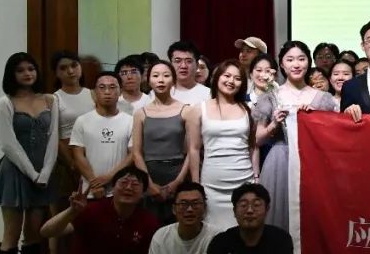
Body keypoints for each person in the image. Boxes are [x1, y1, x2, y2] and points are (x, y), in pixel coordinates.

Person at [0, 52, 59, 254]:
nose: (27, 73)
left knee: (34, 232)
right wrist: (32, 173)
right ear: (12, 74)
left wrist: (45, 172)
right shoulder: (5, 102)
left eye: (31, 69)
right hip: (14, 171)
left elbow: (53, 138)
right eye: (20, 70)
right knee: (12, 232)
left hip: (43, 173)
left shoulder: (50, 100)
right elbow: (7, 143)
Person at [254, 40, 339, 231]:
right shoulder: (271, 96)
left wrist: (315, 119)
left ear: (308, 62)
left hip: (312, 162)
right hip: (280, 161)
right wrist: (274, 123)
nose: (296, 64)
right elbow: (258, 139)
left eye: (301, 59)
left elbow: (331, 139)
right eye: (290, 59)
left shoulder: (322, 98)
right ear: (282, 64)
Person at [42, 166, 159, 254]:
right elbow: (46, 232)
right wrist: (71, 211)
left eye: (135, 184)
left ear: (143, 194)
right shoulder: (93, 210)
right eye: (124, 183)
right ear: (113, 188)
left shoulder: (148, 222)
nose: (128, 187)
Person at [187, 60, 259, 232]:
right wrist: (196, 184)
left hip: (244, 180)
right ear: (217, 77)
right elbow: (194, 149)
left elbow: (253, 146)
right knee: (212, 233)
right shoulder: (198, 109)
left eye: (237, 78)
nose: (231, 81)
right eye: (227, 76)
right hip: (211, 185)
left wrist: (256, 177)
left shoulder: (248, 110)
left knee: (244, 232)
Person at [50, 49, 92, 254]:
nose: (70, 71)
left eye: (74, 65)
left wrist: (83, 164)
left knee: (85, 219)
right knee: (60, 219)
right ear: (56, 73)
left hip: (90, 162)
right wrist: (71, 162)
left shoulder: (92, 94)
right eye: (63, 68)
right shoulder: (54, 98)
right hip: (63, 164)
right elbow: (54, 136)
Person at [131, 60, 188, 223]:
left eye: (166, 75)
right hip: (149, 173)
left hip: (177, 171)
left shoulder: (186, 110)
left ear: (174, 80)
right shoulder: (140, 113)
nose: (161, 80)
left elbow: (192, 151)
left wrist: (178, 181)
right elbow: (136, 153)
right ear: (149, 81)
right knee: (149, 224)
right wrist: (149, 183)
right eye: (155, 76)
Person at [203, 183, 294, 254]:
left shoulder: (280, 237)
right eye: (243, 205)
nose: (249, 210)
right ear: (234, 211)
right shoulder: (221, 240)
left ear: (267, 209)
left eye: (256, 205)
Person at [70, 71, 134, 198]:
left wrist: (110, 177)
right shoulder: (82, 120)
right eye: (102, 87)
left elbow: (133, 154)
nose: (107, 92)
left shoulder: (130, 121)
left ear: (120, 91)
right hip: (89, 191)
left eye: (112, 87)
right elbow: (78, 155)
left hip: (120, 190)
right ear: (94, 92)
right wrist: (94, 183)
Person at [143, 181, 217, 254]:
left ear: (205, 208)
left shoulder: (215, 236)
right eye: (183, 204)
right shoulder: (161, 235)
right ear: (174, 209)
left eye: (195, 203)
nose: (190, 209)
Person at [168, 39, 210, 105]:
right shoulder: (159, 93)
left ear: (197, 65)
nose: (183, 66)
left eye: (189, 61)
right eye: (178, 61)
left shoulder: (208, 94)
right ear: (170, 65)